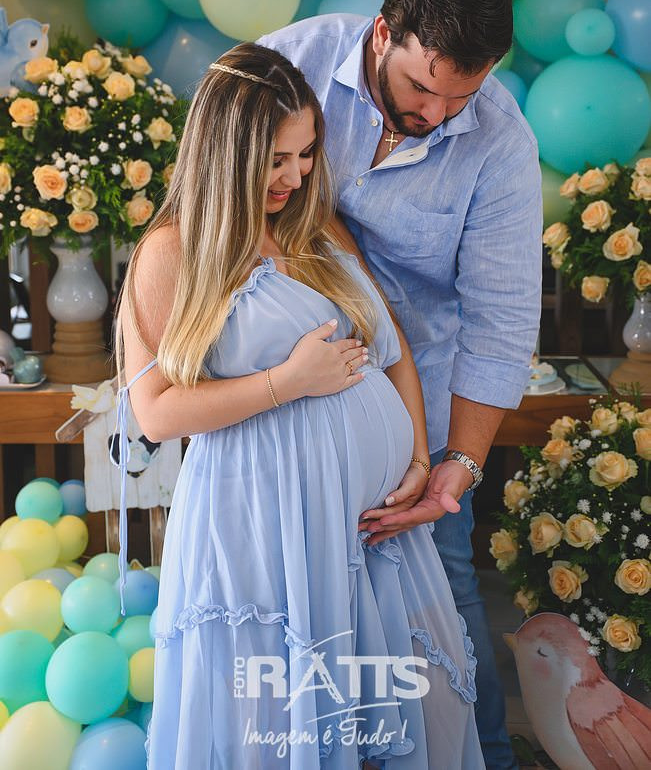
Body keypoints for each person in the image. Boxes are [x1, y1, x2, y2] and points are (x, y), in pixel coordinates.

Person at [115, 42, 484, 768]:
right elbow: (154, 411)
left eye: (307, 153)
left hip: (368, 531)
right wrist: (287, 381)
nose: (296, 175)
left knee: (412, 713)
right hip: (262, 520)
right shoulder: (171, 251)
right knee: (278, 722)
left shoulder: (313, 227)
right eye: (275, 160)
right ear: (225, 154)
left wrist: (416, 458)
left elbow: (392, 347)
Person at [259, 0, 542, 770]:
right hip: (279, 394)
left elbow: (498, 320)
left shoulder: (500, 142)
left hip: (418, 411)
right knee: (288, 601)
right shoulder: (286, 65)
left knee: (442, 609)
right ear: (383, 34)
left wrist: (456, 466)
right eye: (423, 88)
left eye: (462, 96)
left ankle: (484, 757)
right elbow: (208, 203)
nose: (439, 114)